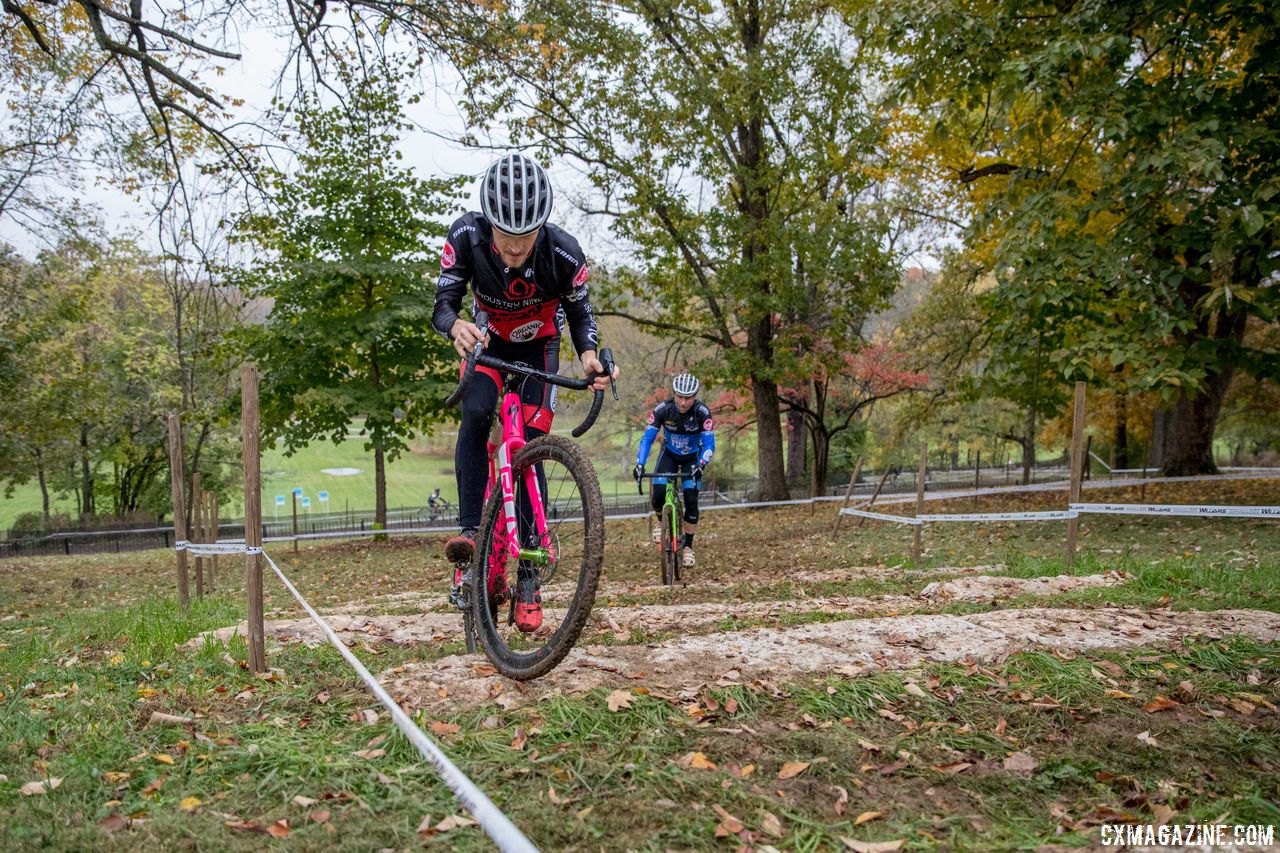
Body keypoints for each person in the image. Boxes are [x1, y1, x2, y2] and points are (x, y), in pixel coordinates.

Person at [433, 153, 616, 631]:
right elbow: (444, 305)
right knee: (474, 415)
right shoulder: (465, 236)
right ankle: (471, 533)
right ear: (488, 223)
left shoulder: (565, 253)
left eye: (525, 239)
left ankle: (530, 575)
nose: (514, 250)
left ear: (542, 227)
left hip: (540, 349)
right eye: (505, 238)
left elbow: (581, 317)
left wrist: (591, 355)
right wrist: (455, 326)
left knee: (532, 444)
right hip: (488, 346)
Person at [632, 373, 715, 568]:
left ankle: (688, 547)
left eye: (688, 397)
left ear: (695, 396)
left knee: (691, 498)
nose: (684, 402)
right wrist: (640, 463)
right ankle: (661, 522)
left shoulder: (702, 412)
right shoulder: (663, 410)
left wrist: (701, 464)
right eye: (680, 397)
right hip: (668, 454)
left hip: (692, 458)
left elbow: (710, 444)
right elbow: (647, 438)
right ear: (674, 394)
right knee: (659, 493)